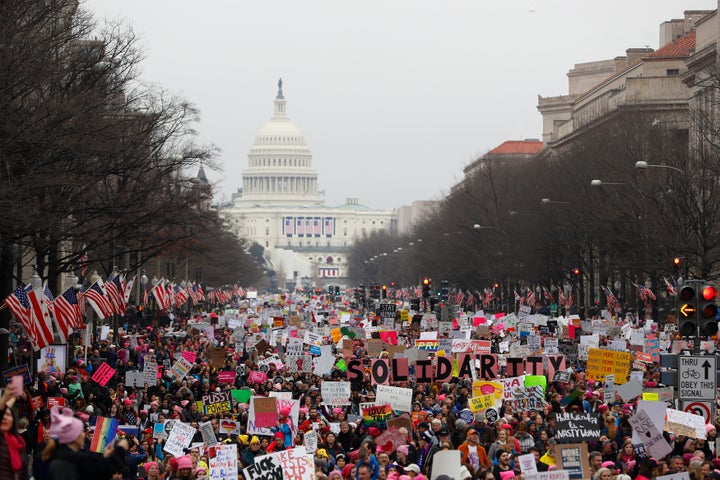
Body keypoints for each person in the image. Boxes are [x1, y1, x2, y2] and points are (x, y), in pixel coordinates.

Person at [43, 405, 129, 480]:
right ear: (74, 436)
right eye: (81, 431)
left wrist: (105, 456)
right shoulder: (76, 459)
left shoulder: (48, 454)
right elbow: (102, 471)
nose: (84, 435)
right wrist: (120, 449)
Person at [0, 384, 29, 480]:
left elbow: (24, 472)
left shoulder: (19, 442)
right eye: (3, 415)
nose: (4, 417)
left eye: (8, 415)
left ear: (13, 420)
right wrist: (4, 400)